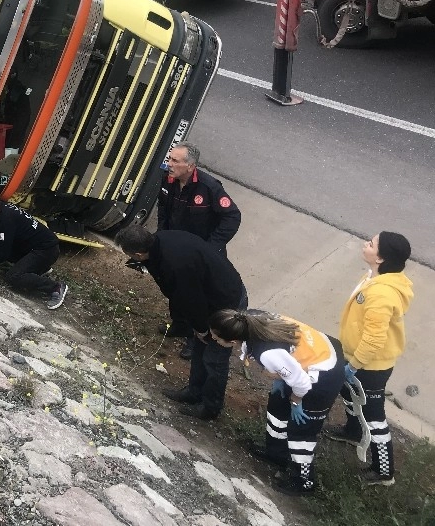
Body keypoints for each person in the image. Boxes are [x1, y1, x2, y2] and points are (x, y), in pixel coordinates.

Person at [114, 225, 247, 421]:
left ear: (139, 253)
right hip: (208, 294)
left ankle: (210, 408)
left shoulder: (175, 264)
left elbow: (192, 300)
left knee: (214, 358)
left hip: (226, 303)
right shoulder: (158, 243)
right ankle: (194, 392)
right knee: (199, 351)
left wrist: (201, 328)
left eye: (130, 255)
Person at [209, 309, 344, 496]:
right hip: (316, 351)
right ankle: (276, 453)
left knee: (301, 429)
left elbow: (301, 383)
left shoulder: (267, 353)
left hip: (325, 370)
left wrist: (296, 401)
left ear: (233, 341)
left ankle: (305, 481)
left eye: (216, 338)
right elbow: (287, 355)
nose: (214, 340)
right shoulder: (249, 319)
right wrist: (281, 380)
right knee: (276, 406)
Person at [325, 231, 413, 487]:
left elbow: (374, 340)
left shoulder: (381, 294)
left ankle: (384, 471)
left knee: (374, 417)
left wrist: (352, 366)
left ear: (381, 258)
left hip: (368, 366)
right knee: (349, 394)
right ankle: (353, 431)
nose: (366, 244)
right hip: (355, 357)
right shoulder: (377, 277)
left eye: (372, 244)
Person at [158, 143, 241, 358]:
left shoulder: (209, 187)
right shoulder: (167, 179)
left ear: (190, 166)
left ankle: (194, 339)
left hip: (201, 257)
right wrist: (161, 238)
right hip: (177, 250)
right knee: (176, 289)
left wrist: (211, 247)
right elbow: (163, 210)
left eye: (175, 161)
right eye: (170, 158)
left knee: (197, 297)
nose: (170, 164)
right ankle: (179, 325)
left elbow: (232, 216)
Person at [0, 190, 68, 310]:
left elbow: (3, 254)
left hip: (46, 250)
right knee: (5, 249)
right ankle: (40, 269)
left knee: (13, 276)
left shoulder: (5, 218)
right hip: (32, 246)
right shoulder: (2, 210)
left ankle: (55, 287)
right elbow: (3, 235)